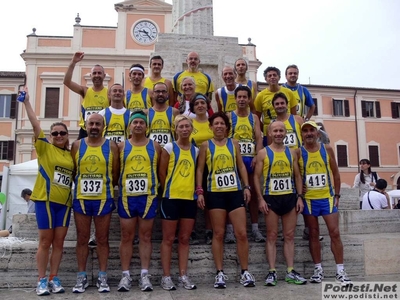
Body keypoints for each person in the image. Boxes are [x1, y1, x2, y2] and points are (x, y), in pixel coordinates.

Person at [19, 87, 74, 295]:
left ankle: (54, 277)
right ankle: (41, 279)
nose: (59, 135)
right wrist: (26, 103)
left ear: (67, 136)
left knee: (59, 243)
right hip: (46, 201)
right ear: (50, 136)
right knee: (45, 241)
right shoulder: (44, 148)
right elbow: (35, 124)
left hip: (65, 204)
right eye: (55, 133)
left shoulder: (71, 155)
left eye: (62, 133)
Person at [196, 112, 255, 289]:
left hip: (234, 191)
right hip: (215, 193)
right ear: (211, 127)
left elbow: (241, 165)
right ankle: (219, 273)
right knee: (219, 234)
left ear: (227, 127)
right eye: (216, 124)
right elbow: (200, 170)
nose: (219, 126)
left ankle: (245, 271)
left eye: (222, 123)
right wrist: (199, 191)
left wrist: (246, 186)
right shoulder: (205, 146)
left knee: (241, 233)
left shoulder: (234, 143)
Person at [296, 120, 352, 286]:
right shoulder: (298, 153)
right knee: (313, 234)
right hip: (309, 200)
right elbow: (296, 175)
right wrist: (300, 191)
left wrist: (337, 195)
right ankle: (318, 269)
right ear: (302, 134)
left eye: (311, 130)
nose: (308, 133)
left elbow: (336, 173)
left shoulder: (326, 149)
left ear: (317, 133)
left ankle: (340, 271)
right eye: (305, 131)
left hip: (327, 198)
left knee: (334, 233)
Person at [71, 113, 119, 293]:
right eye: (91, 123)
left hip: (103, 198)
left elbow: (115, 173)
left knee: (102, 239)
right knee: (82, 238)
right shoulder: (77, 145)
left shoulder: (111, 146)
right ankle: (81, 276)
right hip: (82, 199)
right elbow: (74, 171)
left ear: (103, 126)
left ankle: (102, 276)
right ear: (86, 125)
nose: (94, 127)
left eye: (98, 124)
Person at [253, 121, 306, 286]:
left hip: (289, 197)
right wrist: (260, 199)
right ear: (269, 132)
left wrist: (299, 197)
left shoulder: (292, 153)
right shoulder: (263, 153)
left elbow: (297, 176)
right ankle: (272, 271)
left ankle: (290, 271)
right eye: (275, 130)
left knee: (289, 236)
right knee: (272, 235)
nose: (278, 133)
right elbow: (256, 177)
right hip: (271, 198)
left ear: (285, 133)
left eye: (281, 131)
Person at [117, 110, 161, 292]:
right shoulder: (120, 146)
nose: (138, 125)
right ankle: (125, 275)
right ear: (129, 126)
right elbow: (115, 171)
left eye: (141, 123)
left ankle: (144, 274)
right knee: (126, 236)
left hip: (148, 196)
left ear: (146, 126)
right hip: (127, 197)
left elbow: (160, 170)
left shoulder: (156, 146)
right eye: (135, 122)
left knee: (145, 236)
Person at [159, 115, 199, 290]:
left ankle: (183, 274)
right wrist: (168, 190)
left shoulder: (196, 150)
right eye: (181, 126)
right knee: (168, 239)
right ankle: (166, 276)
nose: (184, 129)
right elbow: (162, 172)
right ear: (176, 129)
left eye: (187, 126)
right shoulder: (169, 147)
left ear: (191, 129)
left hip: (189, 199)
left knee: (184, 239)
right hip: (171, 198)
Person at [228, 85, 265, 243]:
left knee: (254, 193)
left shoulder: (254, 117)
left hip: (250, 158)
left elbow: (258, 138)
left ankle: (255, 228)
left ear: (249, 99)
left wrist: (258, 155)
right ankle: (230, 230)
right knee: (232, 194)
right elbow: (226, 138)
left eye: (245, 97)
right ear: (235, 99)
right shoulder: (229, 116)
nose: (242, 99)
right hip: (235, 160)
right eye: (239, 97)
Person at [63, 51, 109, 139]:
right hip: (85, 131)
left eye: (99, 73)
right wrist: (73, 62)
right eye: (94, 73)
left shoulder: (109, 93)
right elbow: (67, 82)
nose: (97, 75)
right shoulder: (85, 91)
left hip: (102, 131)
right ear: (91, 76)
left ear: (104, 75)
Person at [189, 93, 214, 244]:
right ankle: (190, 230)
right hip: (192, 165)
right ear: (192, 107)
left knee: (209, 199)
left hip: (210, 166)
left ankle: (209, 230)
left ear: (207, 105)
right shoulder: (189, 122)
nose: (200, 105)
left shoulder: (213, 123)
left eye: (202, 103)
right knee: (191, 198)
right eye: (197, 103)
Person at [254, 66, 297, 146]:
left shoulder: (288, 93)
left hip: (289, 132)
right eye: (269, 76)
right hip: (270, 134)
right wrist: (267, 129)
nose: (272, 77)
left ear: (279, 77)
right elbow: (256, 118)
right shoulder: (260, 96)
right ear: (266, 79)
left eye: (274, 75)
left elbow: (294, 115)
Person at [146, 82, 180, 148]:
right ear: (153, 94)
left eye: (163, 91)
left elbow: (178, 134)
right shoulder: (146, 113)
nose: (161, 94)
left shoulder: (175, 112)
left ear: (167, 94)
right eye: (158, 91)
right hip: (151, 150)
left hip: (169, 151)